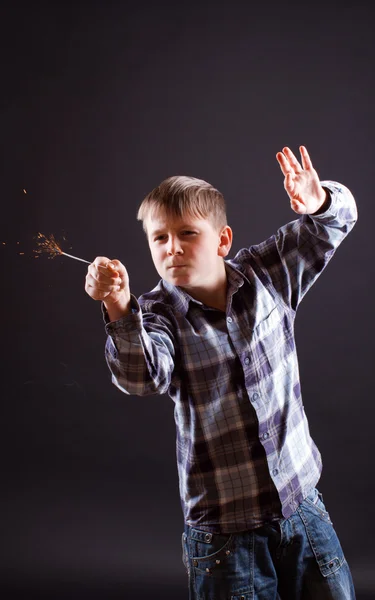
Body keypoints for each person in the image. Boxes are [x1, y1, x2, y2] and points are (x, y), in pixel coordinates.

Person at [85, 146, 357, 599]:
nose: (172, 247)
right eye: (159, 238)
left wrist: (318, 203)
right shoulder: (155, 315)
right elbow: (141, 377)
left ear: (222, 240)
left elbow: (337, 221)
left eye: (187, 233)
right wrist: (116, 306)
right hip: (225, 537)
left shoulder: (267, 273)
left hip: (303, 510)